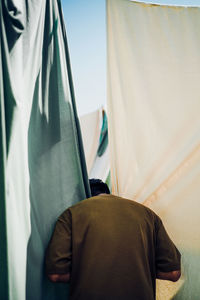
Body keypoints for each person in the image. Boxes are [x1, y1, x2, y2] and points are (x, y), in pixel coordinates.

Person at [45, 179, 181, 300]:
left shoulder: (71, 214)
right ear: (108, 193)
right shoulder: (149, 216)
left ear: (84, 197)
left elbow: (56, 274)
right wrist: (136, 270)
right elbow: (173, 273)